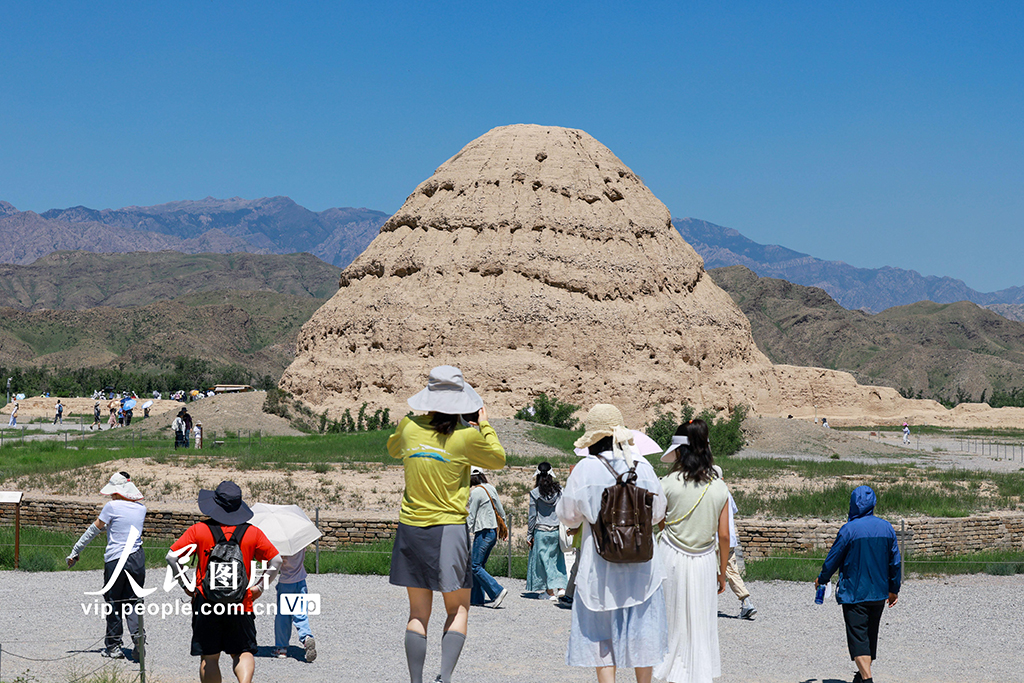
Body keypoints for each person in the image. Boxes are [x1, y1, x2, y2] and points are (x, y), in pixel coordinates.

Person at [387, 365, 506, 683]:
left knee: (417, 614)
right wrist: (485, 424)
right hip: (449, 530)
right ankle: (446, 678)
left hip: (412, 527)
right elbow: (498, 458)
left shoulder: (409, 427)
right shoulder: (466, 435)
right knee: (458, 609)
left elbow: (392, 448)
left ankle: (416, 680)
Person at [556, 404, 668, 683]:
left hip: (600, 568)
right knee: (643, 631)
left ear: (593, 438)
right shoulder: (643, 466)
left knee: (601, 636)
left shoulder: (585, 469)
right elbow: (658, 513)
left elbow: (569, 517)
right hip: (642, 567)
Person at [167, 481, 283, 683]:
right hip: (241, 602)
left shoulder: (199, 530)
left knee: (209, 658)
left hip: (206, 602)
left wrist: (186, 585)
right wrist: (260, 587)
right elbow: (276, 560)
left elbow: (171, 557)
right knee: (242, 652)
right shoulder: (252, 532)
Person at [654, 420, 731, 683]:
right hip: (704, 560)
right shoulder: (719, 486)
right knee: (700, 620)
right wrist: (722, 573)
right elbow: (723, 535)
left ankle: (669, 668)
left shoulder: (667, 483)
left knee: (671, 618)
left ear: (680, 451)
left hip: (671, 556)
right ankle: (697, 672)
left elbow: (657, 520)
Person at [815, 485, 901, 683]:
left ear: (852, 504)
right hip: (879, 593)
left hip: (855, 593)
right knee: (870, 636)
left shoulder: (849, 530)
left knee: (858, 639)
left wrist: (823, 578)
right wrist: (893, 589)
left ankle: (867, 679)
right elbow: (895, 562)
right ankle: (860, 678)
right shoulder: (887, 528)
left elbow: (833, 559)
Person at [66, 472, 148, 660]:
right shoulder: (141, 509)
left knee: (113, 602)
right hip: (136, 558)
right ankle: (139, 638)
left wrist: (76, 550)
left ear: (118, 492)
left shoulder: (111, 507)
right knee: (134, 601)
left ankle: (113, 646)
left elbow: (93, 530)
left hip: (116, 559)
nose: (110, 495)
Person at [712, 464, 757, 620]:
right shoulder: (726, 493)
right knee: (732, 572)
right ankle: (746, 602)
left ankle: (703, 604)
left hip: (713, 539)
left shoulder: (709, 493)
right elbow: (734, 511)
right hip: (729, 540)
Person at [466, 466, 508, 608]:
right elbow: (501, 510)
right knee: (479, 565)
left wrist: (464, 531)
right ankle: (476, 598)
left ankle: (497, 591)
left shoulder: (476, 492)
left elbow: (471, 516)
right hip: (493, 532)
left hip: (483, 532)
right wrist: (504, 528)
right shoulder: (490, 488)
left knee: (474, 566)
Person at [526, 461, 568, 600]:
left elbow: (532, 516)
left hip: (541, 531)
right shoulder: (559, 490)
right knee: (557, 560)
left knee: (543, 562)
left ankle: (549, 592)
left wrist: (529, 534)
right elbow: (563, 510)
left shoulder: (534, 493)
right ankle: (561, 587)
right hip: (556, 530)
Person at [273, 547, 317, 662]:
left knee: (283, 617)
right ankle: (306, 637)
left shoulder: (282, 545)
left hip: (286, 582)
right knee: (301, 613)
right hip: (301, 582)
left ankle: (281, 648)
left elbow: (277, 561)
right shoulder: (300, 543)